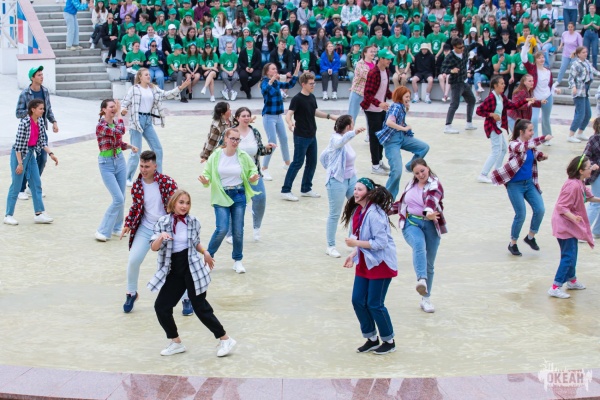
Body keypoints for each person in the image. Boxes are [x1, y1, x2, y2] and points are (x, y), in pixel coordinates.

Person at [149, 189, 237, 357]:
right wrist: (161, 237)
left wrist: (205, 252)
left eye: (187, 203)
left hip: (192, 267)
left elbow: (195, 242)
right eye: (181, 202)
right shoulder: (163, 222)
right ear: (173, 203)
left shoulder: (193, 221)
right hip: (174, 269)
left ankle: (225, 339)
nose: (184, 206)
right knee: (161, 306)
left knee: (199, 306)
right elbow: (154, 247)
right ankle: (176, 342)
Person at [120, 150, 184, 313]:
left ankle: (186, 298)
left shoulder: (168, 182)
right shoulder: (137, 185)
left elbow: (178, 207)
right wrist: (128, 223)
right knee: (133, 260)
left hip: (166, 229)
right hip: (146, 227)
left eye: (147, 166)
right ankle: (131, 293)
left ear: (155, 166)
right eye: (141, 166)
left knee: (176, 264)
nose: (143, 170)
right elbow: (136, 206)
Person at [341, 178, 398, 355]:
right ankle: (372, 338)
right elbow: (359, 237)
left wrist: (356, 244)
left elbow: (380, 243)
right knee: (357, 300)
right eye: (355, 189)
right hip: (365, 261)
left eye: (360, 189)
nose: (355, 192)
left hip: (381, 264)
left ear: (369, 193)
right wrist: (353, 254)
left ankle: (389, 341)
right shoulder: (358, 211)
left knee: (375, 304)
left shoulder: (375, 214)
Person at [198, 128, 260, 274]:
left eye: (238, 139)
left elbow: (253, 170)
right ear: (225, 139)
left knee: (238, 230)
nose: (235, 142)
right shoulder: (216, 155)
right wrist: (205, 180)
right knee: (222, 228)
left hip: (238, 194)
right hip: (221, 195)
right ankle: (208, 258)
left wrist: (252, 177)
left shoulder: (243, 156)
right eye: (232, 138)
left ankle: (237, 261)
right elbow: (207, 173)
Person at [491, 119, 552, 256]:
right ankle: (513, 243)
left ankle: (530, 237)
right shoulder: (514, 144)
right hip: (515, 186)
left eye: (532, 130)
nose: (532, 132)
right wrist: (543, 138)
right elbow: (524, 147)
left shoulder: (530, 145)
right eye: (530, 130)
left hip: (529, 183)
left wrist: (542, 156)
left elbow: (533, 153)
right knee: (521, 214)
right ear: (521, 131)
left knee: (540, 209)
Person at [121, 68, 191, 186]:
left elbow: (166, 95)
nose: (149, 76)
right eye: (146, 75)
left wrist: (180, 88)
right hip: (136, 121)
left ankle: (158, 176)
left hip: (147, 121)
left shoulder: (153, 88)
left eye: (149, 74)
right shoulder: (134, 89)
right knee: (136, 151)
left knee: (158, 149)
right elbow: (125, 103)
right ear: (140, 77)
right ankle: (127, 178)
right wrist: (123, 110)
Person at [394, 158, 446, 313]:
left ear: (427, 168)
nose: (420, 175)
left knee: (429, 264)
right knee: (418, 245)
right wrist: (382, 208)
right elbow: (402, 204)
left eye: (422, 171)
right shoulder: (410, 185)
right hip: (412, 223)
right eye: (417, 173)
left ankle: (426, 299)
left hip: (431, 226)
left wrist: (429, 212)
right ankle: (421, 279)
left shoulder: (435, 184)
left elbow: (431, 200)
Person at [548, 156, 600, 298]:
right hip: (564, 225)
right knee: (568, 256)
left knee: (572, 253)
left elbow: (589, 197)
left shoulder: (580, 182)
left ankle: (572, 281)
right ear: (581, 171)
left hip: (569, 224)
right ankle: (555, 287)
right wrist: (574, 217)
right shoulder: (573, 185)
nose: (591, 169)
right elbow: (561, 206)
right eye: (589, 167)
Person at [281, 72, 339, 201]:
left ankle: (306, 188)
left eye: (314, 83)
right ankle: (285, 190)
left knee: (312, 162)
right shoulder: (297, 99)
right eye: (311, 83)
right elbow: (289, 114)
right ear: (303, 84)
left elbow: (314, 111)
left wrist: (330, 116)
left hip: (312, 135)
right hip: (301, 136)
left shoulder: (312, 97)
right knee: (297, 162)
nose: (313, 85)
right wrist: (290, 123)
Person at [4, 99, 58, 226]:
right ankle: (8, 215)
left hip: (31, 155)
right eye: (41, 109)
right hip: (19, 155)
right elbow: (18, 146)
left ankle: (39, 214)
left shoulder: (40, 121)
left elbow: (42, 141)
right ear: (33, 109)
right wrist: (20, 164)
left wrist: (51, 154)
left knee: (36, 183)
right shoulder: (24, 123)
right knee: (16, 185)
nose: (43, 111)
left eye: (43, 108)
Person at [225, 107, 275, 242]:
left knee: (260, 198)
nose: (246, 118)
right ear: (237, 118)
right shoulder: (230, 132)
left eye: (248, 115)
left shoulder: (255, 132)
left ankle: (256, 228)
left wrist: (268, 148)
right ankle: (230, 233)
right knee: (235, 202)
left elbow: (259, 150)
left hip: (253, 172)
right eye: (243, 116)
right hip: (235, 174)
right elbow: (221, 149)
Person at [320, 115, 365, 258]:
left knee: (357, 208)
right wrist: (354, 133)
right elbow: (327, 154)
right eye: (352, 124)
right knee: (335, 213)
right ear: (348, 127)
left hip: (351, 179)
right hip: (337, 181)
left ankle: (352, 240)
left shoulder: (346, 141)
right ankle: (330, 246)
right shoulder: (335, 139)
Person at [476, 76, 534, 184]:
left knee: (503, 149)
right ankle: (483, 174)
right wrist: (491, 114)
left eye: (504, 83)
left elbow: (513, 105)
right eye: (502, 83)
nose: (504, 85)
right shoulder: (491, 98)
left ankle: (497, 173)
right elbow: (479, 110)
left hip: (497, 127)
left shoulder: (501, 96)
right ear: (495, 85)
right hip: (492, 126)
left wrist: (525, 100)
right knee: (496, 150)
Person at [95, 99, 138, 242]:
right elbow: (120, 130)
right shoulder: (101, 126)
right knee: (118, 198)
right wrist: (119, 114)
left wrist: (129, 146)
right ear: (104, 109)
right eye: (111, 107)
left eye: (115, 107)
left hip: (119, 161)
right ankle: (102, 230)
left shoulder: (115, 124)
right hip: (106, 164)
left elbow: (118, 142)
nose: (113, 109)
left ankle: (116, 227)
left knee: (122, 197)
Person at [376, 86, 430, 200]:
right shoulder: (396, 106)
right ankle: (387, 199)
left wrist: (406, 109)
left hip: (401, 137)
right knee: (396, 172)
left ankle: (410, 166)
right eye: (406, 97)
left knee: (424, 147)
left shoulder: (401, 106)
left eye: (409, 97)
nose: (408, 99)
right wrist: (404, 128)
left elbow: (398, 118)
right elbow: (389, 122)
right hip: (392, 140)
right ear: (400, 97)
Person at [15, 66, 59, 201]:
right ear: (32, 78)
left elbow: (48, 109)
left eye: (42, 74)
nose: (42, 77)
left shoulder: (45, 91)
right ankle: (20, 189)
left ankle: (32, 186)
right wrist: (32, 113)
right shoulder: (25, 94)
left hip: (40, 129)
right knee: (26, 159)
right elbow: (18, 113)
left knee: (42, 158)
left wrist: (54, 122)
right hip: (27, 131)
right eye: (39, 75)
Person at [260, 62, 301, 181]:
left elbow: (290, 84)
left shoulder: (276, 82)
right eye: (273, 69)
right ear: (267, 71)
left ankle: (287, 164)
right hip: (269, 117)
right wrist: (272, 80)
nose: (275, 70)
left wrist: (296, 72)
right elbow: (266, 92)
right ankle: (264, 168)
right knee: (272, 143)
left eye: (275, 69)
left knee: (284, 139)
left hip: (278, 116)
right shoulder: (264, 82)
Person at [361, 49, 394, 176]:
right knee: (374, 137)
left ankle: (379, 161)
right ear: (381, 59)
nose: (390, 61)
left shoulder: (386, 71)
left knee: (381, 136)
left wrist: (395, 96)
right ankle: (375, 166)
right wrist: (379, 103)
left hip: (381, 109)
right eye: (387, 59)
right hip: (372, 109)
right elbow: (367, 94)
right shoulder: (373, 73)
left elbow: (385, 89)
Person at [521, 36, 554, 143]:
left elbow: (550, 85)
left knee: (546, 119)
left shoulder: (548, 71)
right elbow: (523, 57)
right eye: (539, 58)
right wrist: (527, 42)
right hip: (535, 98)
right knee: (534, 119)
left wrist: (555, 90)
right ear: (535, 60)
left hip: (547, 97)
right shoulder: (532, 69)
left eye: (543, 57)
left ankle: (547, 138)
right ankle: (534, 139)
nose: (542, 59)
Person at [441, 38, 478, 134]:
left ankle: (469, 123)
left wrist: (478, 42)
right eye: (460, 47)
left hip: (464, 81)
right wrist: (451, 70)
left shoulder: (464, 49)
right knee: (454, 104)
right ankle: (447, 126)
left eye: (462, 46)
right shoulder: (450, 56)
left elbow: (471, 46)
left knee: (472, 100)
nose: (462, 49)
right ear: (454, 47)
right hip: (456, 83)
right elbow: (443, 68)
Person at [568, 46, 600, 142]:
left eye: (586, 52)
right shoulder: (575, 64)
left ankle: (580, 133)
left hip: (585, 91)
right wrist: (573, 87)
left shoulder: (587, 62)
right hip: (579, 91)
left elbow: (594, 71)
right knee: (580, 114)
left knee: (588, 114)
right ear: (578, 54)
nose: (585, 54)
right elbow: (571, 78)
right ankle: (571, 135)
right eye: (583, 52)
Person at [348, 45, 377, 130]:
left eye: (374, 52)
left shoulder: (375, 64)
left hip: (370, 95)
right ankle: (348, 134)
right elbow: (368, 76)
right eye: (371, 51)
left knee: (371, 118)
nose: (373, 53)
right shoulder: (359, 64)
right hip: (357, 92)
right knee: (351, 117)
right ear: (365, 53)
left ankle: (370, 135)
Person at [585, 118, 600, 238]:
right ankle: (583, 232)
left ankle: (597, 231)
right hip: (597, 174)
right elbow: (585, 157)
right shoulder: (594, 139)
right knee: (595, 202)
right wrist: (593, 165)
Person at [555, 22, 583, 87]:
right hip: (565, 54)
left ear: (573, 27)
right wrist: (560, 46)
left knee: (574, 69)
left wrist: (575, 52)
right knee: (562, 68)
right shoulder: (564, 34)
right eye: (569, 27)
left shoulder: (577, 35)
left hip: (574, 55)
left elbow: (580, 46)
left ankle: (574, 83)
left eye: (571, 27)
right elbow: (562, 41)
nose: (570, 28)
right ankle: (558, 81)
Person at [582, 4, 600, 70]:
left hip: (595, 33)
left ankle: (594, 67)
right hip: (587, 33)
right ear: (589, 10)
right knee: (586, 51)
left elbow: (598, 27)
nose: (591, 10)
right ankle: (586, 66)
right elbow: (584, 27)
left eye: (593, 8)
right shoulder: (586, 17)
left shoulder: (598, 17)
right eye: (590, 8)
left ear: (595, 10)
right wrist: (590, 24)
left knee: (595, 51)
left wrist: (593, 25)